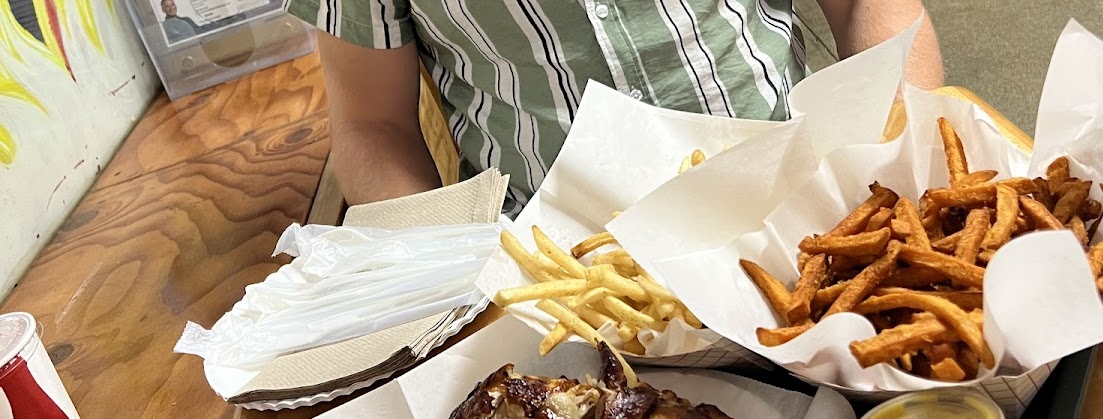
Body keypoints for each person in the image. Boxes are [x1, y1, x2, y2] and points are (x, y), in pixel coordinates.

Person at [287, 0, 943, 212]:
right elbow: (373, 126)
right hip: (557, 288)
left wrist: (899, 157)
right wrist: (452, 284)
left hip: (809, 202)